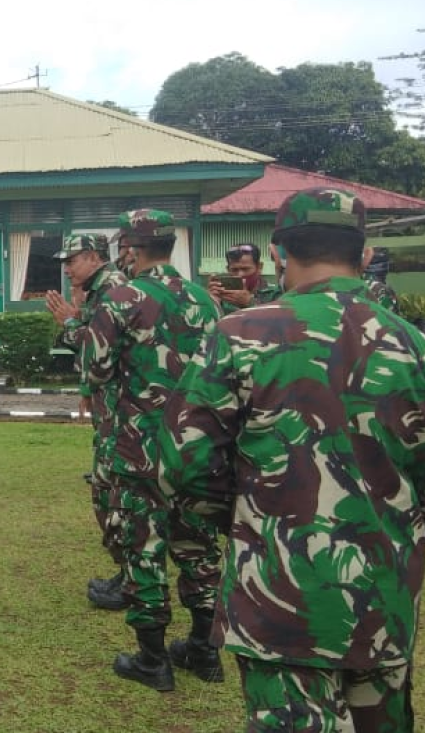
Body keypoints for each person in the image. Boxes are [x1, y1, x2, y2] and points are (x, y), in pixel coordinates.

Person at [161, 188, 425, 731]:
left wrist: (245, 522)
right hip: (385, 598)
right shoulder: (412, 345)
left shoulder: (240, 335)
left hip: (280, 599)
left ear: (278, 253)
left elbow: (185, 462)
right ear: (365, 252)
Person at [82, 209, 222, 692]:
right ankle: (205, 651)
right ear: (169, 245)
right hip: (200, 448)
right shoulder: (206, 301)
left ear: (130, 248)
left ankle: (152, 660)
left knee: (145, 546)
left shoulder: (123, 299)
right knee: (199, 546)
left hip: (142, 446)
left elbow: (96, 371)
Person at [44, 234, 129, 611]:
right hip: (109, 400)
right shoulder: (100, 288)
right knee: (107, 486)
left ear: (94, 257)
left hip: (122, 405)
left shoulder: (111, 289)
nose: (66, 267)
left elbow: (100, 347)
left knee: (111, 489)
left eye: (72, 260)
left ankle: (131, 579)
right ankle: (127, 573)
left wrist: (69, 323)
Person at [206, 242, 280, 314]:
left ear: (259, 267)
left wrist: (250, 303)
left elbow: (279, 321)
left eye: (245, 269)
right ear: (228, 269)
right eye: (234, 270)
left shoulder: (275, 294)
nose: (240, 274)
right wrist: (211, 302)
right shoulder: (222, 295)